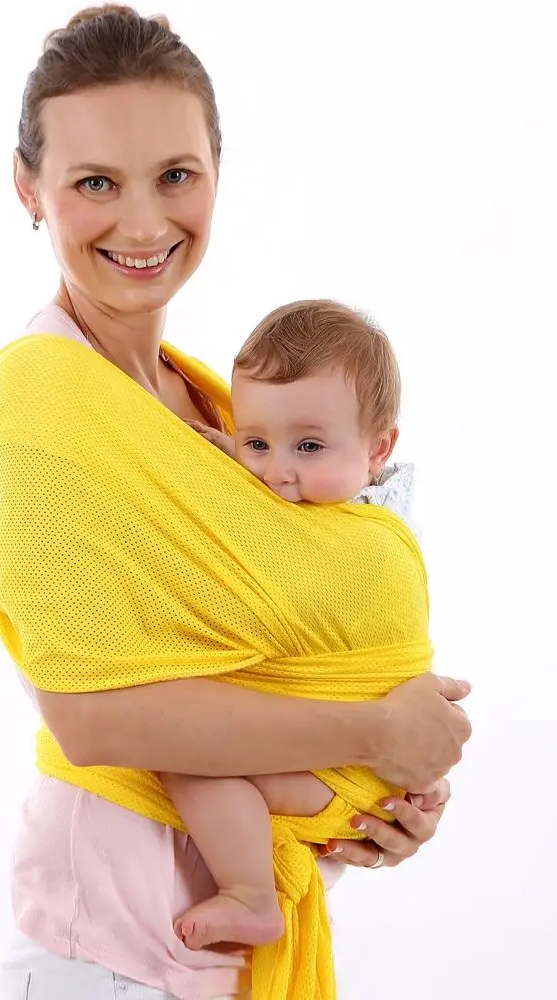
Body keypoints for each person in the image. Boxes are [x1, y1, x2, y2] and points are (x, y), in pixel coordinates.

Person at [0, 7, 472, 1000]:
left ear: (218, 173)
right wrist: (375, 735)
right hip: (111, 951)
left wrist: (377, 800)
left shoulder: (223, 412)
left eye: (175, 175)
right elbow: (93, 716)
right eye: (95, 182)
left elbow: (287, 666)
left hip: (217, 956)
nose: (143, 223)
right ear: (28, 187)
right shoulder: (40, 395)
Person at [159, 298, 421, 951]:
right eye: (257, 443)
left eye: (308, 446)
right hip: (361, 753)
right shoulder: (312, 492)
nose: (276, 472)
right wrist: (225, 452)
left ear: (379, 448)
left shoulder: (364, 536)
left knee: (193, 757)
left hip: (349, 770)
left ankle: (249, 895)